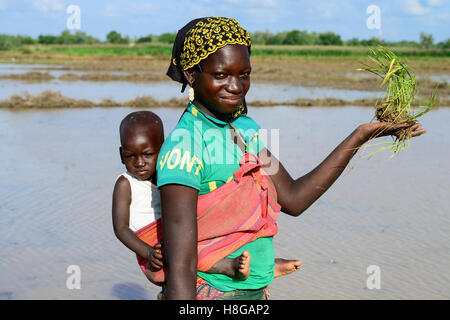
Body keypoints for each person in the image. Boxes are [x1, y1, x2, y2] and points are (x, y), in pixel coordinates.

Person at [156, 17, 427, 300]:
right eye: (221, 75)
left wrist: (360, 136)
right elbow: (181, 263)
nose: (236, 86)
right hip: (209, 293)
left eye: (244, 74)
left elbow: (294, 198)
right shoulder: (183, 149)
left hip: (252, 292)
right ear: (191, 74)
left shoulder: (244, 133)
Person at [112, 111, 301, 288]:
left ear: (163, 149)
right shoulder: (125, 184)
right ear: (122, 155)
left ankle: (266, 267)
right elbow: (120, 228)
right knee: (186, 257)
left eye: (147, 154)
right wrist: (148, 252)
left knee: (227, 231)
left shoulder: (171, 172)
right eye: (130, 156)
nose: (139, 163)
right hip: (153, 247)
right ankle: (229, 267)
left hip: (175, 231)